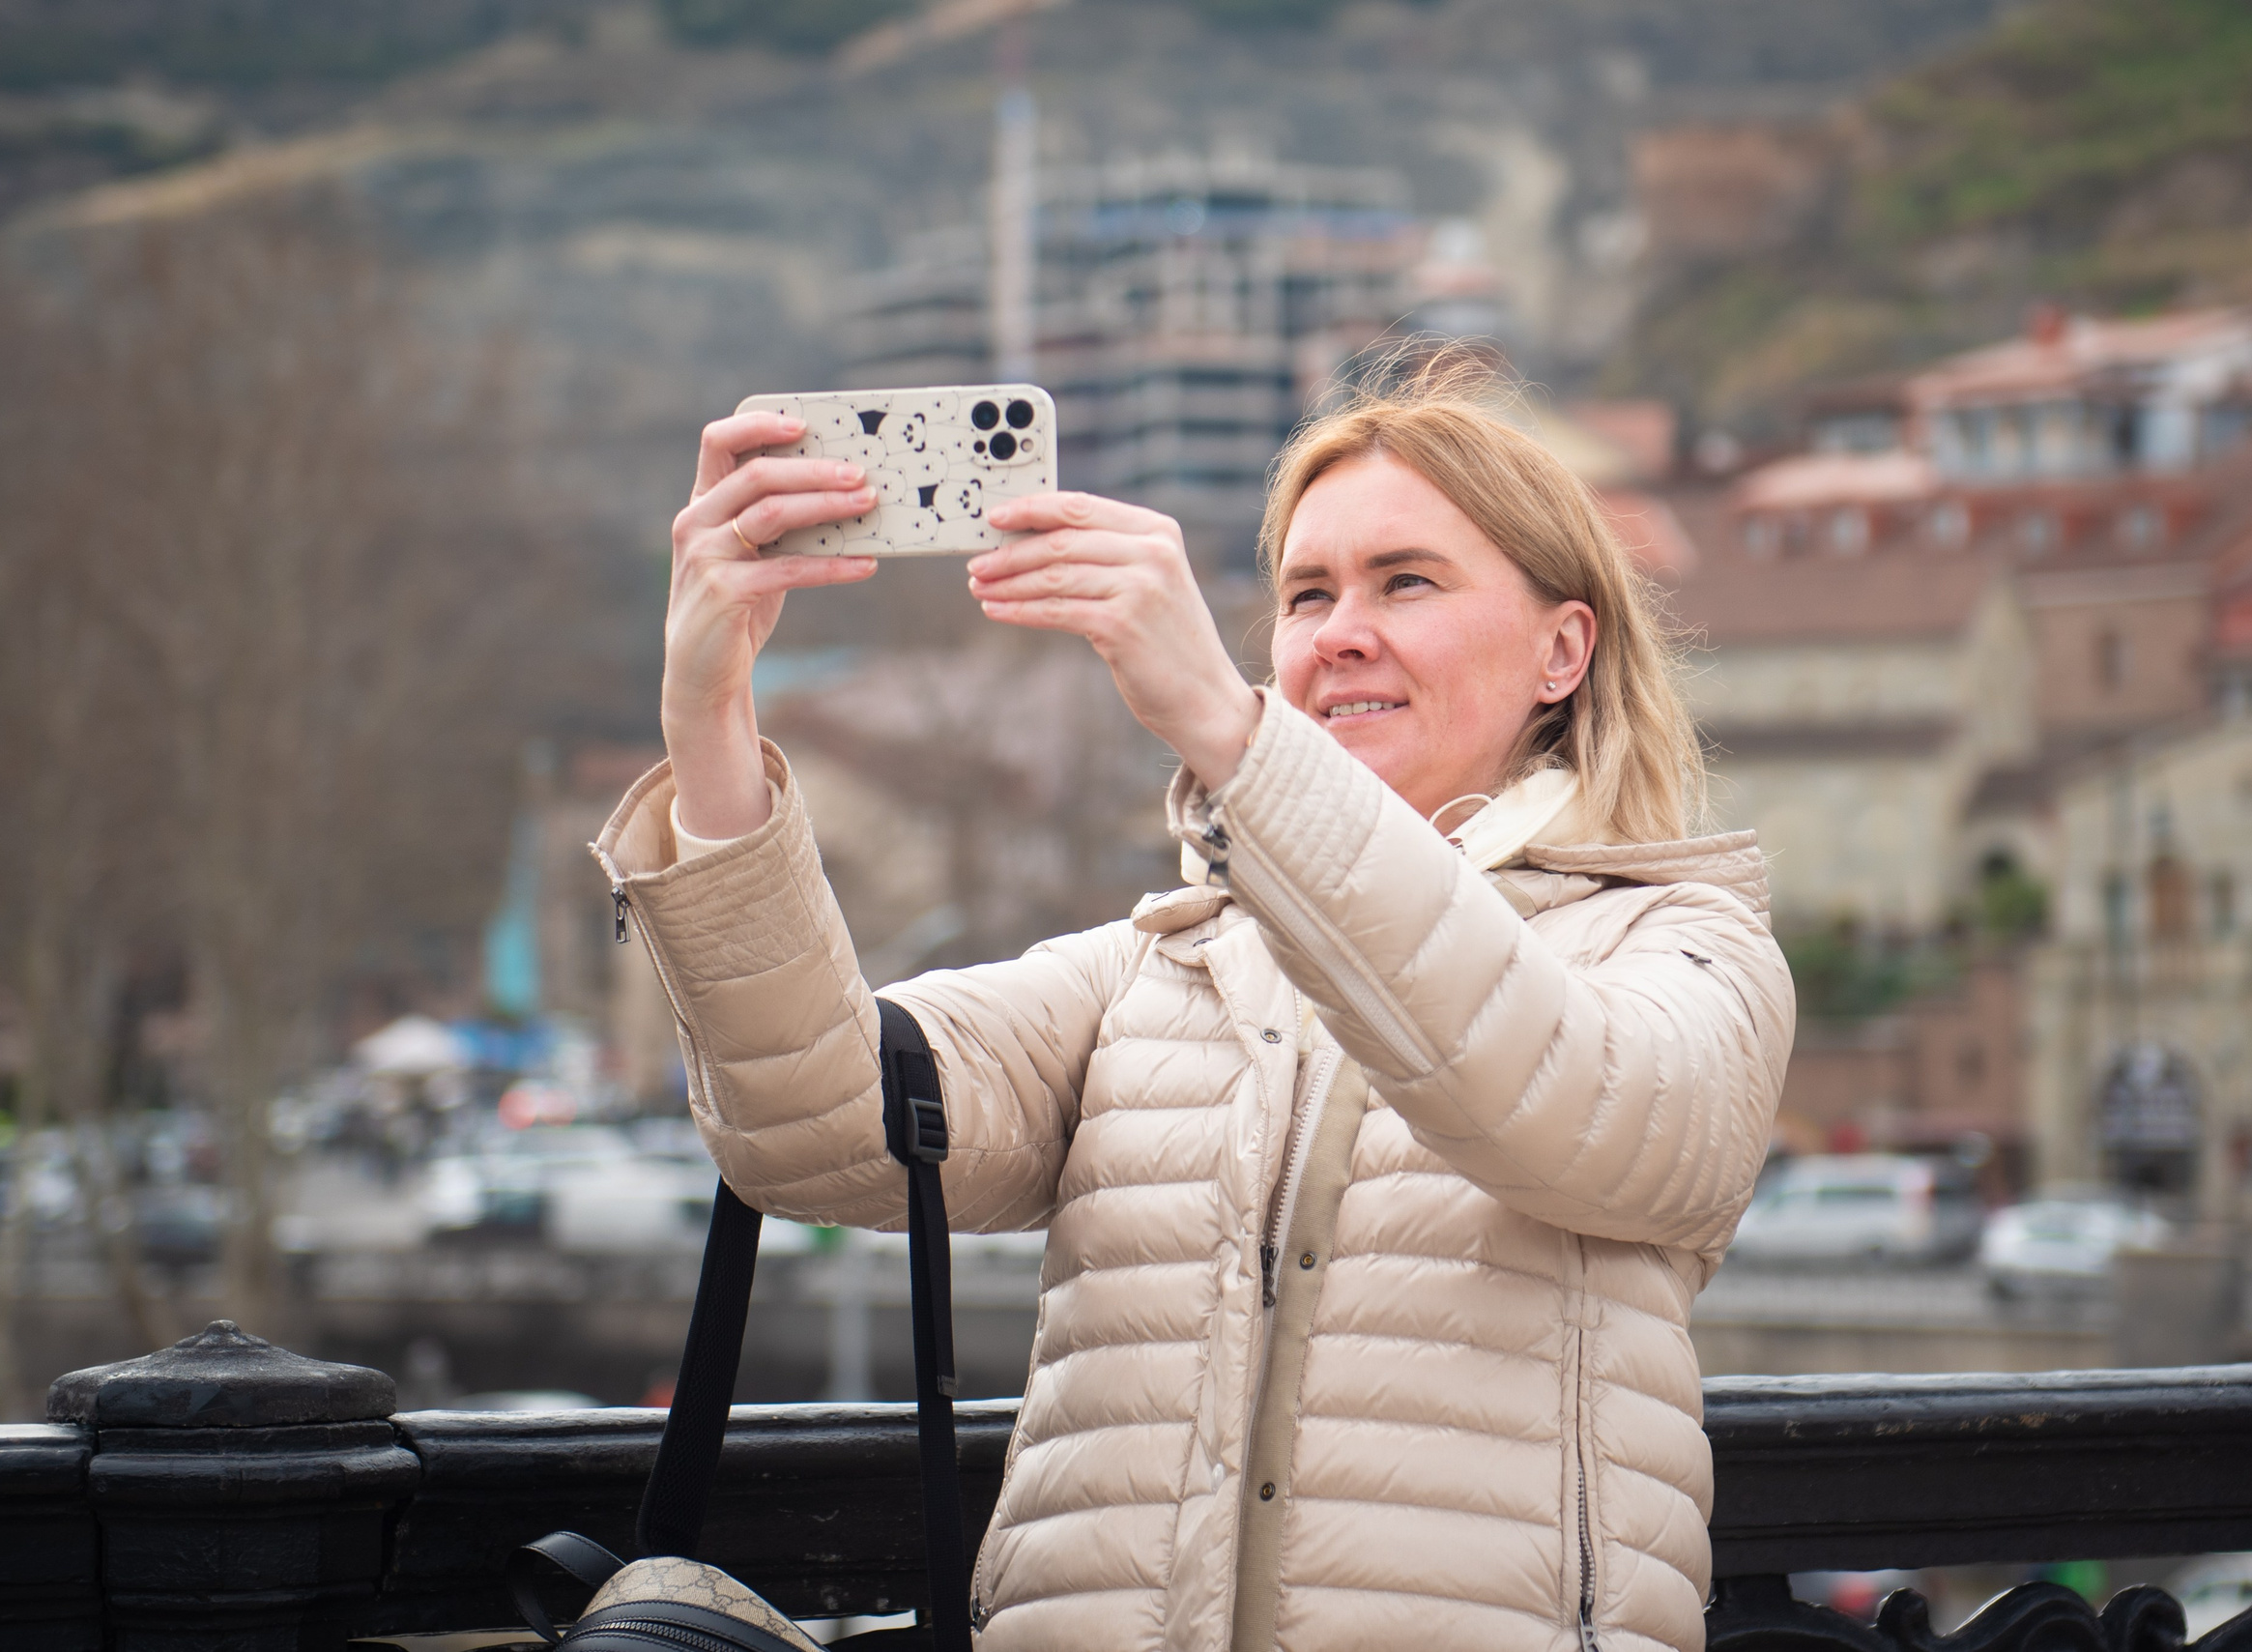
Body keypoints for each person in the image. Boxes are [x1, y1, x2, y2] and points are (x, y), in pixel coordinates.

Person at [594, 363, 1796, 1652]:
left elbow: (1574, 1107)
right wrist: (709, 718)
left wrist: (1233, 737)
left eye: (1407, 581)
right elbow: (809, 1120)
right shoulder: (1155, 969)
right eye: (1306, 593)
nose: (1339, 632)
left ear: (1563, 649)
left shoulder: (1686, 943)